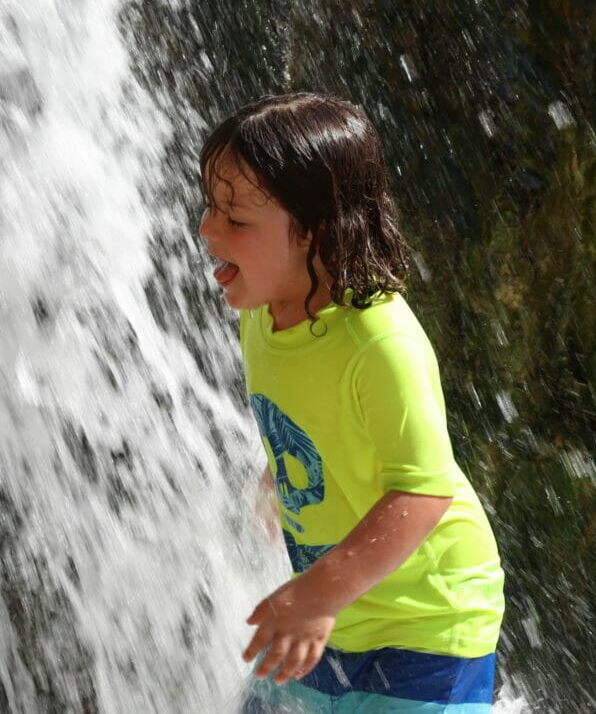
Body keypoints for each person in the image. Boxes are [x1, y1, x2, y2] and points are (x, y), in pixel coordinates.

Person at [198, 93, 505, 712]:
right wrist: (279, 471)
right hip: (339, 616)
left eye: (235, 219)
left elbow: (422, 493)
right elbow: (312, 415)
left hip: (431, 624)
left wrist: (315, 596)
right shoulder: (260, 319)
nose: (207, 230)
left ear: (312, 230)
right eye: (210, 207)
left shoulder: (380, 342)